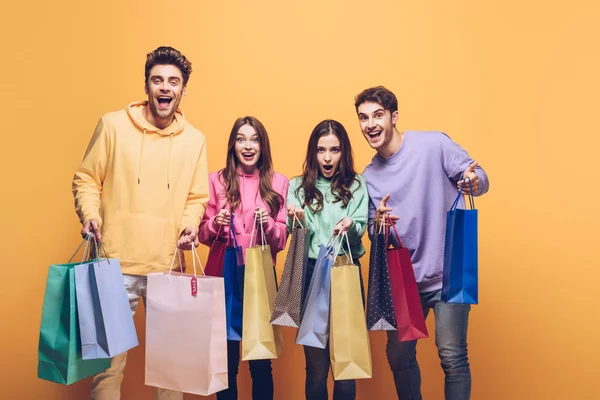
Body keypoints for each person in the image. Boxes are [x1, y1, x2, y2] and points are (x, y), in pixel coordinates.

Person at [72, 46, 209, 400]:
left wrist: (191, 223)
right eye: (157, 80)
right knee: (107, 367)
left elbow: (196, 198)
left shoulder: (195, 141)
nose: (165, 88)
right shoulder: (113, 125)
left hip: (166, 266)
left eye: (173, 82)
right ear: (146, 85)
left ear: (183, 90)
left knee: (171, 369)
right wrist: (90, 214)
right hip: (113, 263)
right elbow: (87, 179)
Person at [356, 86, 490, 400]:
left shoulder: (433, 145)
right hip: (403, 282)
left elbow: (478, 176)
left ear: (394, 116)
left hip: (447, 273)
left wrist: (473, 181)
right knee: (399, 357)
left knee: (452, 355)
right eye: (363, 118)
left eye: (377, 115)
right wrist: (380, 224)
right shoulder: (368, 178)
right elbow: (374, 235)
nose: (370, 124)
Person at [198, 116, 288, 400]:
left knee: (261, 361)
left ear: (263, 145)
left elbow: (282, 238)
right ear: (232, 144)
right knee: (226, 362)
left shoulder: (278, 182)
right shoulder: (216, 181)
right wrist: (216, 223)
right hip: (224, 279)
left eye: (254, 139)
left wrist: (269, 225)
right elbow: (202, 233)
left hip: (259, 278)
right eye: (241, 139)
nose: (248, 146)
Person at [287, 119, 368, 400]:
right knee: (316, 368)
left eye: (334, 150)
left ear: (343, 152)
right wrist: (295, 220)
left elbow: (360, 230)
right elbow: (293, 236)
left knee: (346, 365)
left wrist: (351, 225)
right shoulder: (297, 186)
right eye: (321, 150)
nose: (327, 157)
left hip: (345, 269)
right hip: (311, 273)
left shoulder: (357, 185)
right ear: (313, 152)